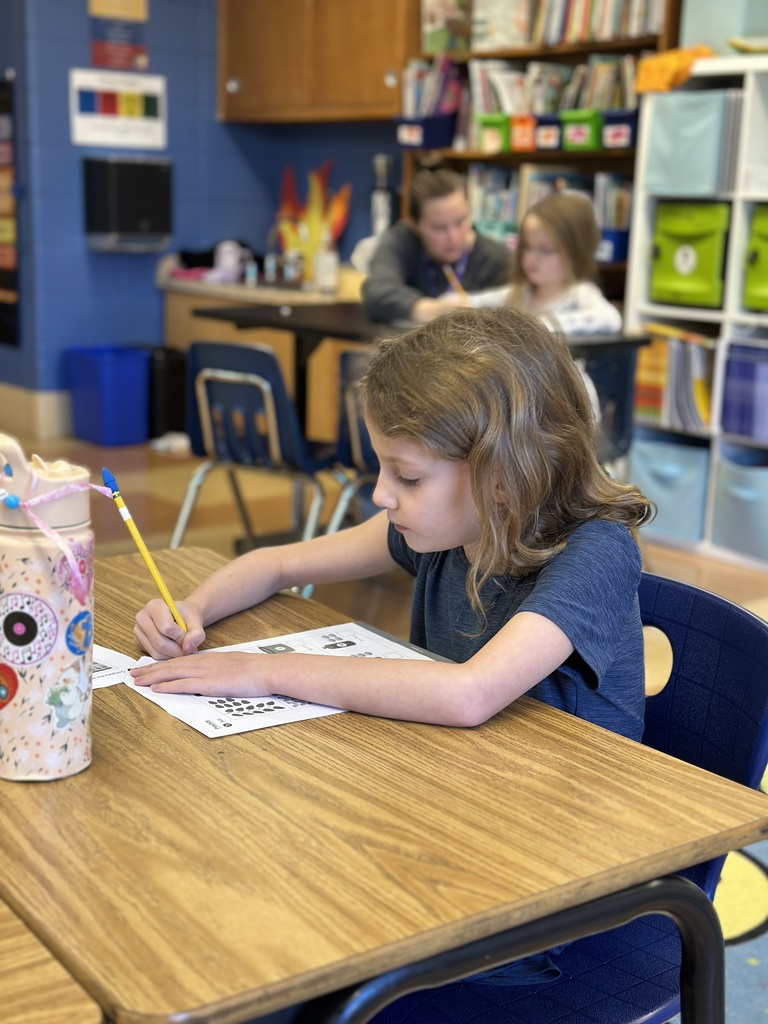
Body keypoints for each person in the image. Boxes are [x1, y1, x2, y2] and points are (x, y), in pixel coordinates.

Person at [132, 306, 654, 997]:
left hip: (549, 884)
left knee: (285, 942)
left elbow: (468, 694)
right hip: (453, 819)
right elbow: (277, 563)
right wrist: (191, 609)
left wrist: (258, 670)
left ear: (503, 475)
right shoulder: (448, 525)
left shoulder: (597, 553)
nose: (382, 495)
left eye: (406, 478)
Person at [360, 167, 513, 324]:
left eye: (460, 221)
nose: (453, 237)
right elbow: (378, 292)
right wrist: (436, 311)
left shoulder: (498, 260)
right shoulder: (401, 241)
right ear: (415, 225)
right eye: (439, 228)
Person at [467, 190, 623, 336]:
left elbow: (611, 318)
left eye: (546, 250)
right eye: (527, 247)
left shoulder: (579, 293)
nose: (531, 258)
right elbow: (473, 301)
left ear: (574, 253)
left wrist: (543, 323)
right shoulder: (522, 292)